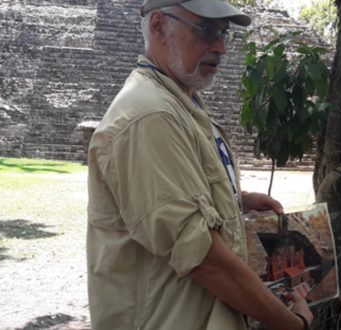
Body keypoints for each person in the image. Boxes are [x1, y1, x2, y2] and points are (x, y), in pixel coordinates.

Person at [86, 0, 314, 329]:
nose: (220, 47)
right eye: (206, 30)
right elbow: (204, 258)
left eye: (224, 34)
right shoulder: (151, 115)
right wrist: (293, 325)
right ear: (158, 26)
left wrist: (236, 202)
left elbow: (175, 203)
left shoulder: (180, 100)